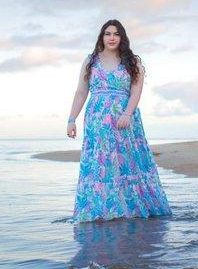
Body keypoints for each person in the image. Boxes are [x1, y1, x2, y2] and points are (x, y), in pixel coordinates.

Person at [66, 19, 173, 222]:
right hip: (97, 120)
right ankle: (101, 210)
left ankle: (129, 207)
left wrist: (127, 114)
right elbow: (81, 92)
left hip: (125, 119)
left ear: (122, 37)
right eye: (107, 33)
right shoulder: (90, 61)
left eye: (116, 34)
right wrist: (71, 119)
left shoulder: (132, 63)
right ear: (102, 37)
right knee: (101, 163)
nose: (111, 37)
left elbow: (136, 91)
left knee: (127, 162)